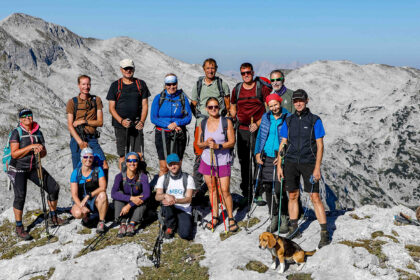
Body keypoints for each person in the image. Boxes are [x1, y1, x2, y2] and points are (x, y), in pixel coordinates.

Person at [277, 89, 330, 249]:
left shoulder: (315, 120)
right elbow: (284, 143)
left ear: (307, 100)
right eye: (295, 101)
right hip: (291, 162)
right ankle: (294, 228)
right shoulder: (289, 120)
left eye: (301, 100)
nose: (298, 103)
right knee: (292, 195)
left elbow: (320, 146)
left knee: (314, 197)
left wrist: (317, 168)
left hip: (308, 162)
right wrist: (280, 165)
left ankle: (324, 233)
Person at [8, 109, 66, 240]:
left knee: (53, 188)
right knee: (20, 196)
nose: (28, 117)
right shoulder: (16, 133)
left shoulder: (38, 132)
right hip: (18, 168)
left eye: (29, 115)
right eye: (24, 116)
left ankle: (53, 217)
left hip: (34, 167)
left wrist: (40, 150)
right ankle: (19, 227)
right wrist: (31, 147)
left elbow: (44, 153)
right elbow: (14, 154)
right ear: (20, 119)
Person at [230, 62, 271, 206]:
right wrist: (233, 116)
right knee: (244, 162)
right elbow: (233, 104)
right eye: (243, 73)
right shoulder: (237, 89)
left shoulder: (262, 88)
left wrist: (259, 123)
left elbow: (269, 109)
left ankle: (257, 193)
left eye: (248, 72)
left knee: (257, 160)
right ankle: (246, 193)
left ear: (253, 73)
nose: (246, 75)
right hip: (242, 129)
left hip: (257, 130)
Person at [190, 58, 231, 197]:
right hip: (201, 124)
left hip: (218, 124)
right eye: (208, 68)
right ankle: (197, 188)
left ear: (216, 68)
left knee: (219, 154)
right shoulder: (198, 85)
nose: (210, 70)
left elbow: (227, 103)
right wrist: (200, 118)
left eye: (212, 68)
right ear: (204, 69)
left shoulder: (222, 84)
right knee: (199, 155)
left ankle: (218, 189)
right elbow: (194, 104)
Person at [197, 98, 238, 232]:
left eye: (215, 106)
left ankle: (231, 217)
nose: (213, 109)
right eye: (210, 107)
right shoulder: (203, 123)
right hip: (207, 160)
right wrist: (206, 143)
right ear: (206, 109)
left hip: (223, 160)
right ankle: (215, 216)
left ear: (219, 107)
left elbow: (232, 142)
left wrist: (218, 146)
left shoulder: (226, 122)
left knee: (224, 190)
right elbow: (199, 143)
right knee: (212, 189)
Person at [254, 94, 289, 233]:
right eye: (271, 105)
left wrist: (282, 157)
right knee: (268, 188)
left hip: (279, 157)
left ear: (280, 103)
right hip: (266, 156)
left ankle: (284, 218)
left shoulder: (288, 117)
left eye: (276, 104)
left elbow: (289, 139)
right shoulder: (266, 117)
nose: (274, 107)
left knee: (280, 190)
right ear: (268, 106)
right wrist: (257, 152)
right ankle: (274, 217)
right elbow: (260, 136)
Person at [106, 59, 150, 168]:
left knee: (138, 155)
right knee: (122, 155)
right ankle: (124, 180)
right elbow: (111, 108)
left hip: (136, 124)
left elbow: (145, 105)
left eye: (130, 68)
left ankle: (138, 181)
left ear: (134, 69)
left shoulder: (141, 84)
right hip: (120, 126)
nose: (128, 70)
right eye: (126, 68)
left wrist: (142, 121)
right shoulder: (115, 85)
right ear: (121, 69)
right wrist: (121, 121)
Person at [66, 75, 109, 179]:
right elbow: (70, 125)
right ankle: (78, 194)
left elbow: (100, 122)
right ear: (79, 85)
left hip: (92, 138)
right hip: (77, 139)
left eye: (88, 84)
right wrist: (80, 142)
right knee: (78, 169)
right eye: (83, 84)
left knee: (104, 165)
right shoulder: (72, 102)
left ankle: (101, 191)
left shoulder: (96, 100)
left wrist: (83, 121)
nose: (86, 87)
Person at [150, 74, 192, 176]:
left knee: (176, 166)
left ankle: (175, 190)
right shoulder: (159, 98)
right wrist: (168, 124)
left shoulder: (182, 98)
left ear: (177, 84)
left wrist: (177, 123)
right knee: (164, 167)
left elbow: (188, 117)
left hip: (179, 134)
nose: (171, 87)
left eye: (174, 84)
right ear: (165, 85)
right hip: (162, 134)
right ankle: (161, 191)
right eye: (169, 84)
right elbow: (153, 118)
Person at [155, 154, 195, 240]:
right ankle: (170, 226)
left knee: (185, 234)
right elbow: (157, 197)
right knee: (167, 203)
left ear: (180, 163)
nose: (173, 166)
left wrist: (175, 200)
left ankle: (178, 222)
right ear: (167, 166)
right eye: (170, 164)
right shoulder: (163, 178)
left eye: (175, 164)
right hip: (169, 208)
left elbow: (189, 199)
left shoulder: (188, 178)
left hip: (183, 208)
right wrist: (166, 195)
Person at [111, 152, 150, 237]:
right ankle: (123, 223)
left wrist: (129, 205)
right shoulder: (119, 176)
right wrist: (131, 198)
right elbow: (113, 194)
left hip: (136, 204)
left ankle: (132, 224)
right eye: (129, 160)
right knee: (119, 194)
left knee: (143, 199)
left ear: (138, 162)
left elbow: (147, 194)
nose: (132, 163)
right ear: (126, 163)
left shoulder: (143, 176)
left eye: (135, 161)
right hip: (125, 202)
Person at [70, 148, 109, 233]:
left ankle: (101, 222)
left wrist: (88, 196)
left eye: (90, 157)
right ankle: (85, 218)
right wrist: (81, 206)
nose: (88, 159)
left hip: (93, 198)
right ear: (81, 158)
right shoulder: (76, 173)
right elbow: (74, 194)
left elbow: (103, 187)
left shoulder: (98, 170)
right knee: (77, 213)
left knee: (103, 195)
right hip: (81, 200)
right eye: (85, 157)